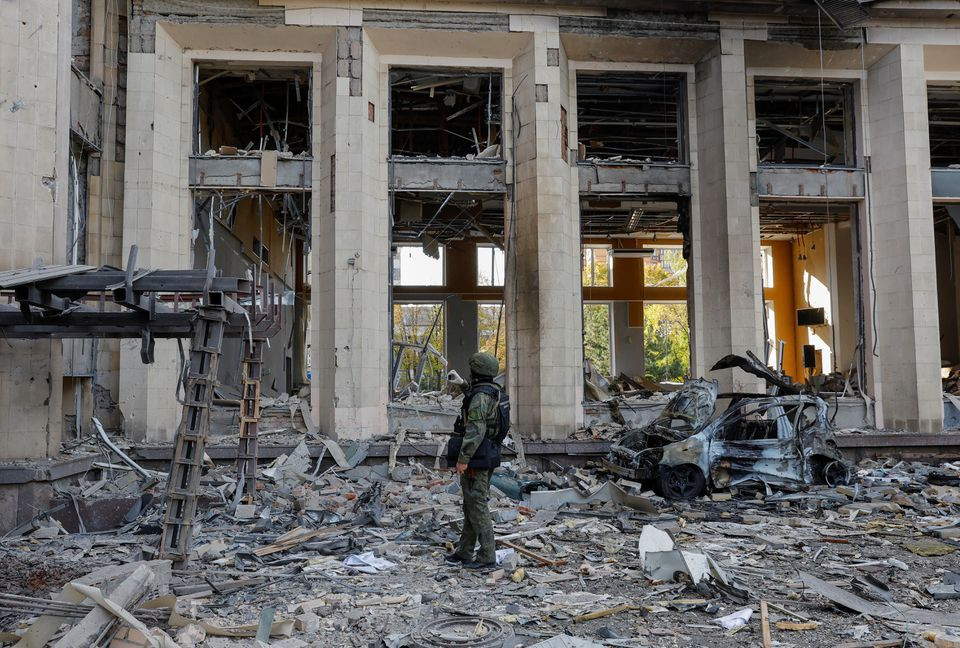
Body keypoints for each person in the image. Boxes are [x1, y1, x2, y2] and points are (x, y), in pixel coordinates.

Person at [445, 352, 502, 570]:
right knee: (471, 503)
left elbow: (476, 430)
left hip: (476, 458)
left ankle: (487, 556)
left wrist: (463, 459)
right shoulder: (492, 391)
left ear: (477, 371)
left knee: (476, 505)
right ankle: (464, 552)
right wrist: (462, 385)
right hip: (486, 454)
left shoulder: (480, 397)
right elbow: (478, 399)